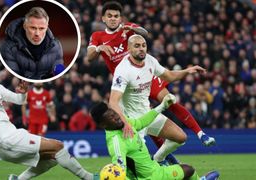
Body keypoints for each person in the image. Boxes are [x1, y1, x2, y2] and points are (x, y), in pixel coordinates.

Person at [86, 1, 215, 149]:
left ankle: (200, 134)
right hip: (127, 83)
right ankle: (164, 157)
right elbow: (89, 57)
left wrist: (134, 29)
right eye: (109, 16)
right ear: (103, 18)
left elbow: (145, 34)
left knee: (169, 100)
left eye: (116, 16)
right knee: (144, 114)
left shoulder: (127, 28)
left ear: (120, 18)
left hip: (144, 72)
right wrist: (99, 49)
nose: (113, 19)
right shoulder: (98, 36)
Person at [0, 55, 96, 180]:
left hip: (11, 136)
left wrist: (24, 93)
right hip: (4, 139)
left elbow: (19, 100)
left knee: (52, 158)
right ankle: (89, 178)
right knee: (58, 146)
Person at [110, 34, 208, 164]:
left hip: (148, 115)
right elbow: (113, 101)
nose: (141, 49)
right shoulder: (123, 70)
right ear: (128, 48)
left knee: (181, 137)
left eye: (144, 46)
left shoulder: (150, 61)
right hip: (133, 121)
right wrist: (125, 123)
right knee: (140, 168)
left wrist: (187, 71)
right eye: (137, 46)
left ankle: (158, 159)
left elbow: (169, 76)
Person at [90, 98, 220, 180]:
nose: (117, 117)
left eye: (114, 113)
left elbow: (141, 122)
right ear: (103, 125)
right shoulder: (116, 142)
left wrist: (161, 106)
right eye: (111, 118)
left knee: (186, 169)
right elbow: (120, 170)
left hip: (154, 169)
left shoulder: (124, 124)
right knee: (188, 170)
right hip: (150, 177)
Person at [0, 7, 64, 80]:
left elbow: (57, 74)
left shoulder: (55, 46)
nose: (37, 33)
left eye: (41, 28)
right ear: (25, 26)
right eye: (33, 28)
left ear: (47, 27)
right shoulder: (8, 47)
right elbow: (14, 80)